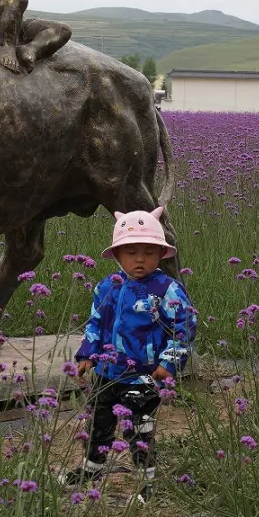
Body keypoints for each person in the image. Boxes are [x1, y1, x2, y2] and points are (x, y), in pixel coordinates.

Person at [61, 207, 196, 501]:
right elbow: (95, 323)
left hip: (144, 377)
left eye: (149, 252)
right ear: (118, 254)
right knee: (98, 423)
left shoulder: (166, 289)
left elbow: (183, 326)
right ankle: (90, 468)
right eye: (131, 251)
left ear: (161, 254)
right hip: (107, 374)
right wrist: (86, 356)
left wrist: (168, 364)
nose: (139, 259)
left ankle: (145, 482)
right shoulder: (108, 287)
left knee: (140, 429)